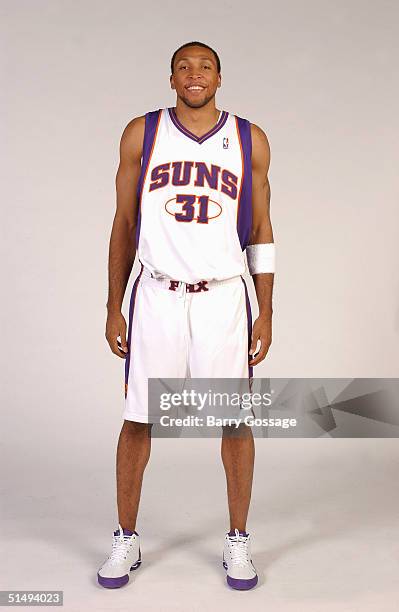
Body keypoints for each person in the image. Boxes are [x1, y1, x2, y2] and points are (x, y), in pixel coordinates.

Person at [98, 40, 275, 591]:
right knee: (138, 418)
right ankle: (126, 538)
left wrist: (266, 309)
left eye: (204, 67)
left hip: (224, 296)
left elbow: (262, 230)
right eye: (183, 67)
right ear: (171, 78)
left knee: (234, 419)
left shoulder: (249, 139)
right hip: (157, 293)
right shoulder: (142, 133)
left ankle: (238, 541)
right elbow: (124, 223)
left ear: (219, 77)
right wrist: (112, 304)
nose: (194, 75)